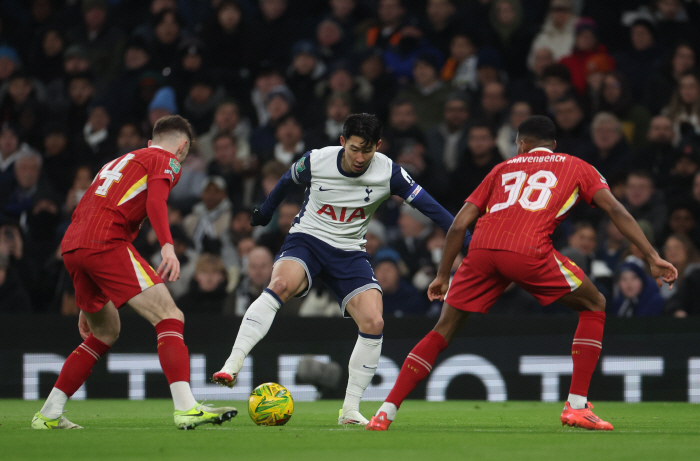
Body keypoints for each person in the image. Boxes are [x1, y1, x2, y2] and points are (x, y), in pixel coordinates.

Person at [367, 115, 677, 431]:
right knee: (594, 304)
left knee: (442, 329)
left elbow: (459, 224)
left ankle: (385, 412)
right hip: (528, 250)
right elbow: (616, 210)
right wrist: (653, 256)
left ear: (520, 143)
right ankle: (577, 405)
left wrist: (442, 274)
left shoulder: (501, 169)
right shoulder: (576, 166)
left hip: (482, 251)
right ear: (554, 145)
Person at [212, 113, 470, 426]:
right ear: (342, 142)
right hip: (307, 240)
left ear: (378, 145)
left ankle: (349, 411)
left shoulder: (390, 172)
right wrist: (265, 213)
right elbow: (285, 182)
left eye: (368, 150)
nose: (360, 157)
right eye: (354, 149)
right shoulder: (316, 161)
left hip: (349, 252)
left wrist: (470, 242)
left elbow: (435, 211)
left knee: (374, 321)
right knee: (280, 286)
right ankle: (233, 363)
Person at [31, 116, 237, 430]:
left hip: (74, 245)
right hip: (105, 242)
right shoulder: (167, 160)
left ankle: (48, 414)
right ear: (182, 147)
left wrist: (88, 297)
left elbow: (85, 208)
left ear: (151, 140)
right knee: (170, 315)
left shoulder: (117, 162)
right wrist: (168, 245)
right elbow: (156, 200)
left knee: (104, 331)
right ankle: (186, 407)